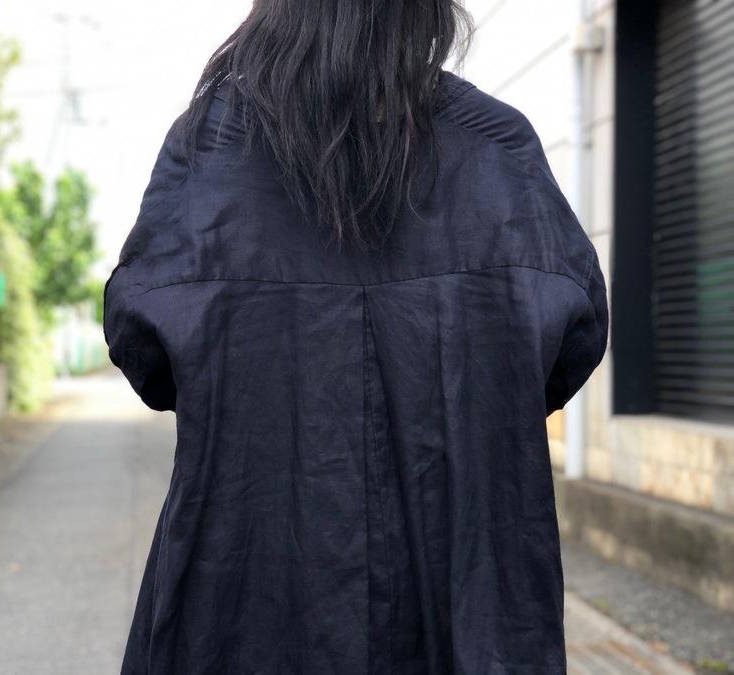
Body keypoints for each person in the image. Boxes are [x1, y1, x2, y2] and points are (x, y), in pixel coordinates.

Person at [103, 1, 609, 672]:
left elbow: (142, 349)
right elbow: (573, 341)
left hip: (245, 591)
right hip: (467, 593)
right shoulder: (498, 146)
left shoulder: (209, 148)